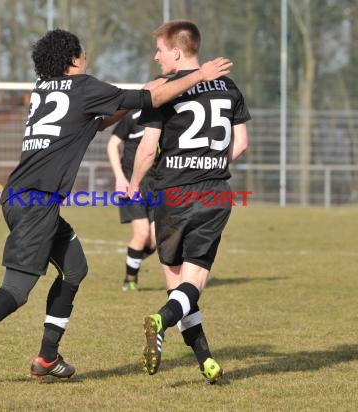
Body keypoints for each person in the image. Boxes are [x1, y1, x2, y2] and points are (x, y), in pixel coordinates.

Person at [0, 28, 233, 390]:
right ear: (72, 60)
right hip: (35, 202)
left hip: (27, 197)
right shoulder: (84, 87)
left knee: (74, 268)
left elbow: (97, 121)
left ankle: (47, 357)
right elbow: (153, 97)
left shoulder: (45, 89)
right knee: (16, 291)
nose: (87, 59)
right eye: (83, 54)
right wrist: (200, 75)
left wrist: (142, 96)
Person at [127, 20, 250, 384]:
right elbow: (240, 144)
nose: (156, 56)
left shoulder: (164, 90)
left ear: (177, 52)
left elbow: (148, 148)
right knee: (191, 285)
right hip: (214, 192)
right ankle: (206, 360)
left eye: (160, 50)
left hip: (171, 193)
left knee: (177, 282)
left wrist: (134, 184)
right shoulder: (229, 86)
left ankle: (162, 320)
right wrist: (209, 165)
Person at [106, 109, 157, 291]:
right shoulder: (134, 115)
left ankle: (133, 257)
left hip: (156, 184)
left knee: (158, 238)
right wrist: (119, 177)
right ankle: (130, 280)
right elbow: (112, 145)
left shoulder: (168, 115)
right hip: (131, 181)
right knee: (142, 234)